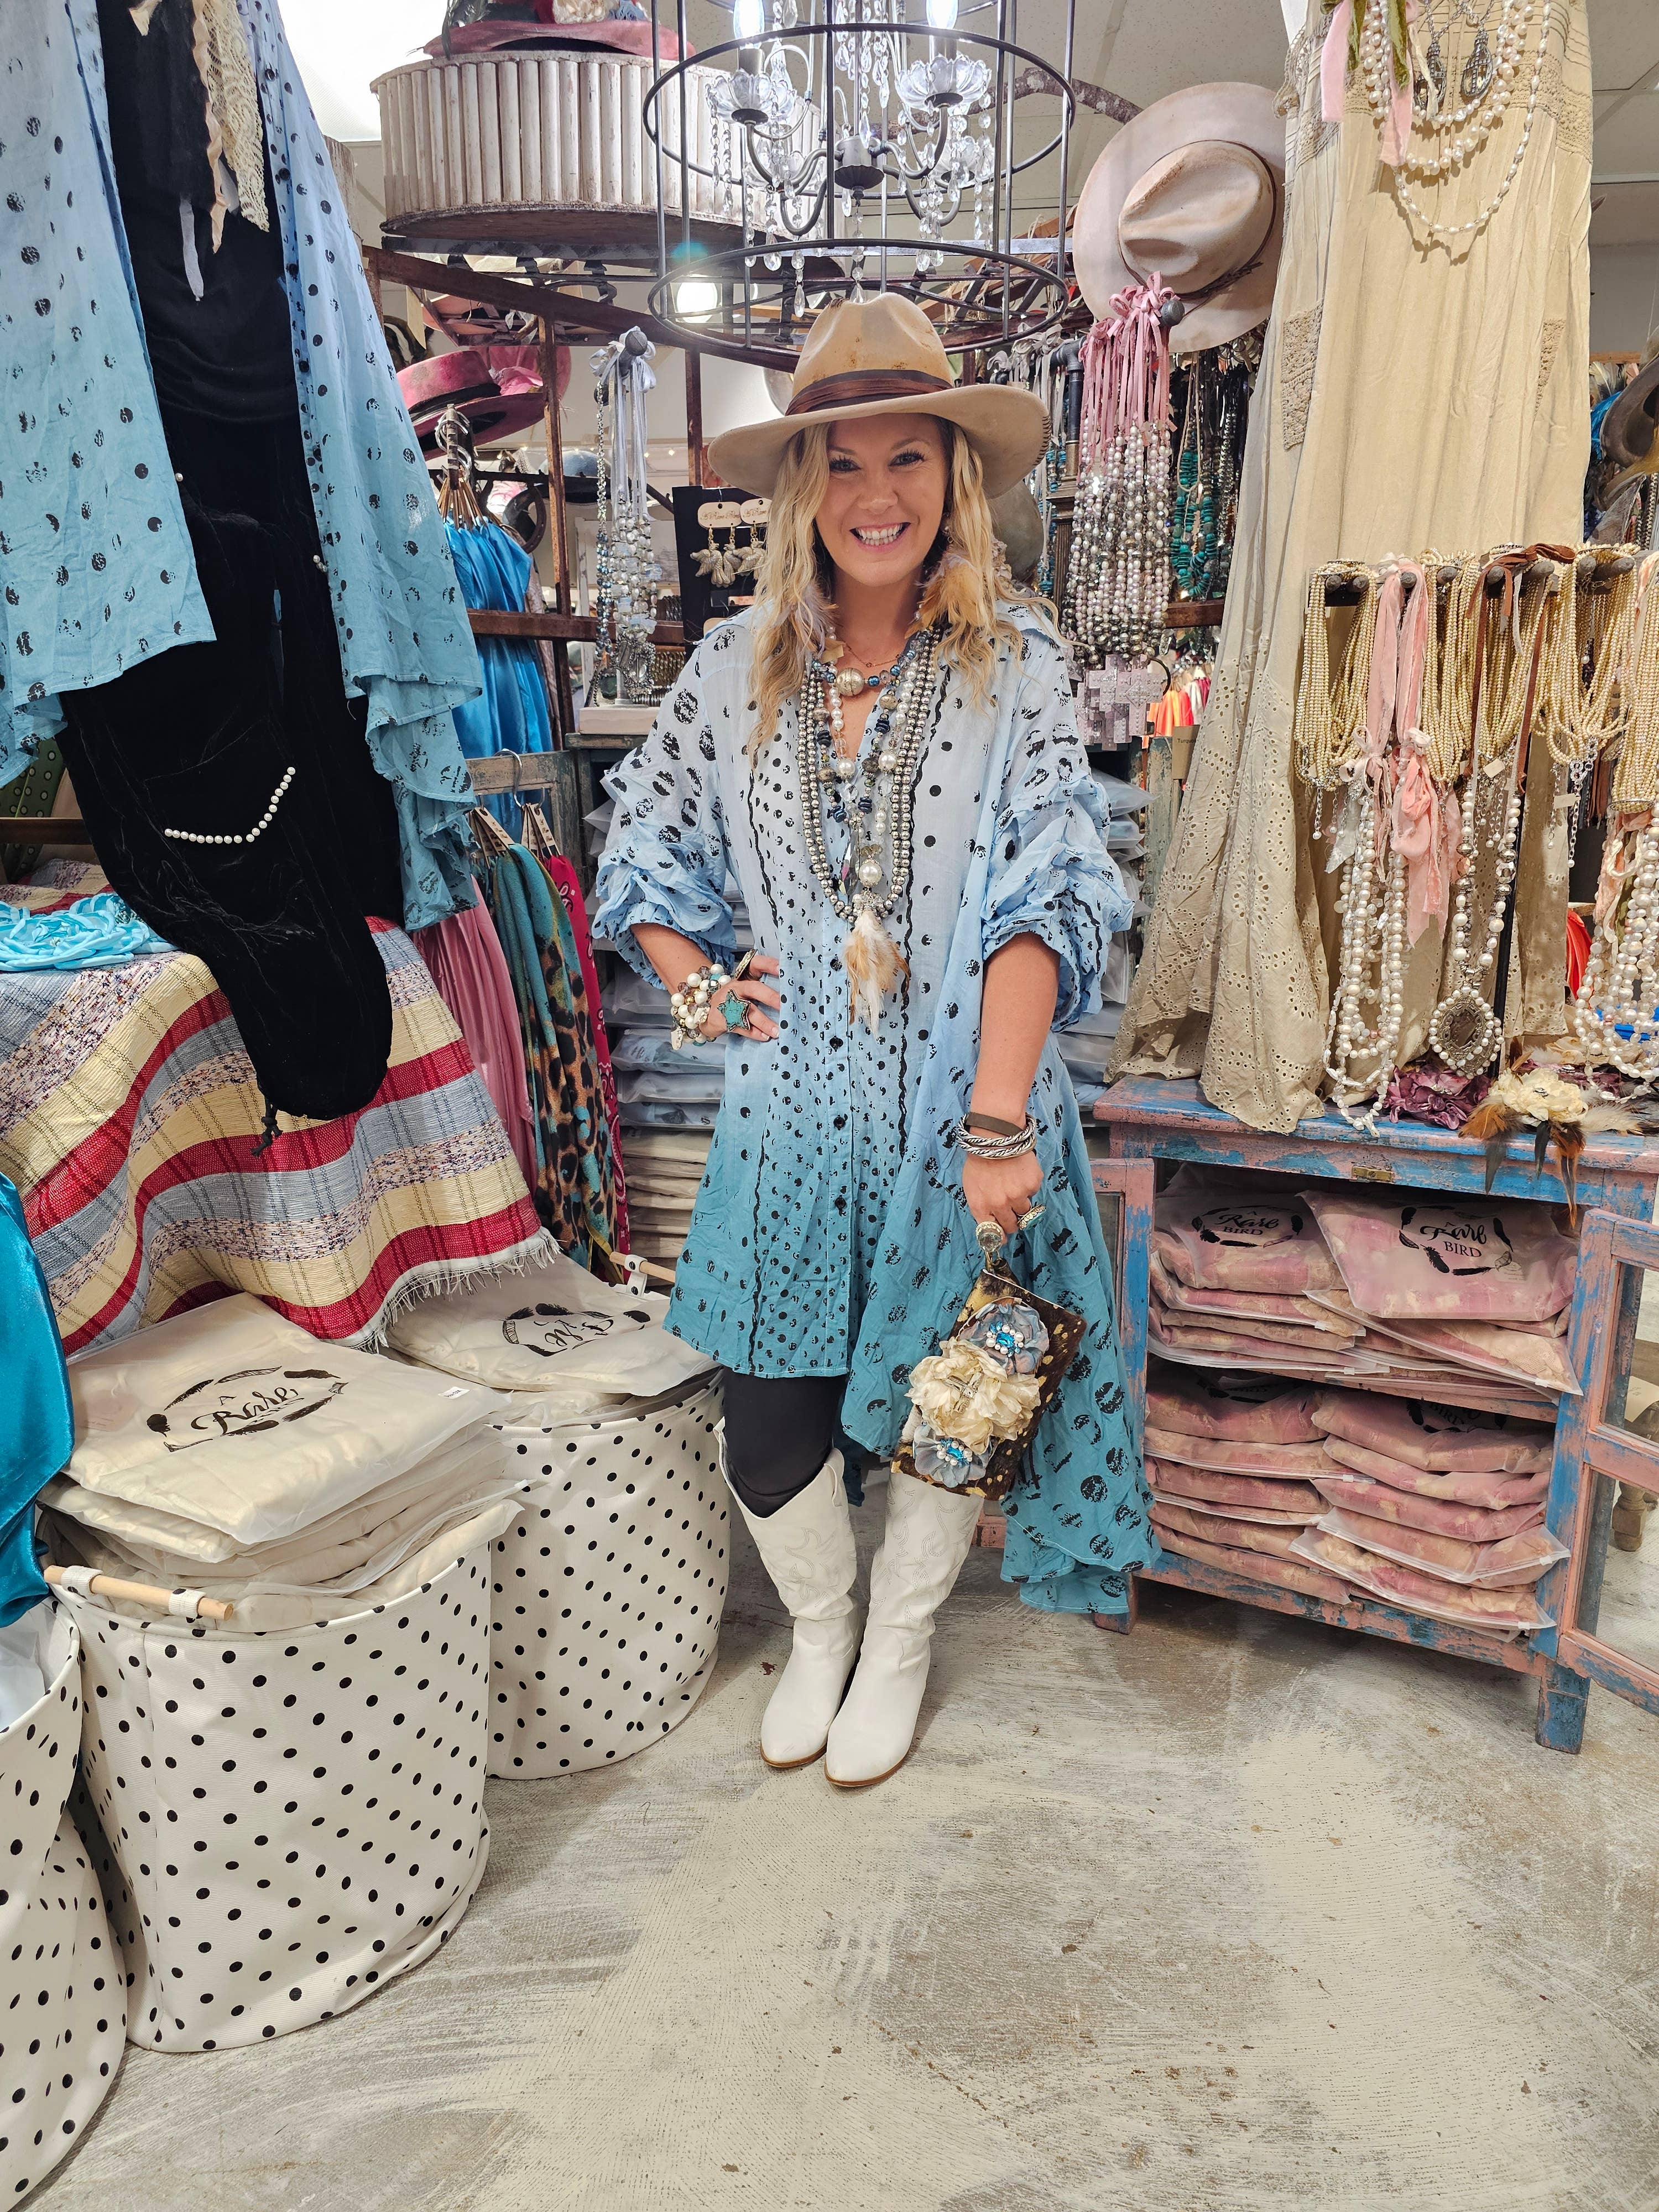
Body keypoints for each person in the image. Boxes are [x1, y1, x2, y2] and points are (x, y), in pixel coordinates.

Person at [595, 295, 1152, 1790]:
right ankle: (822, 1629)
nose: (877, 494)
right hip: (786, 1121)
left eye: (909, 458)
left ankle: (898, 1644)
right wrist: (699, 989)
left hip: (962, 1116)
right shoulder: (733, 667)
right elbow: (642, 846)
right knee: (769, 1428)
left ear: (952, 479)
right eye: (843, 462)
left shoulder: (1015, 664)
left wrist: (998, 1119)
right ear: (803, 488)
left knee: (950, 1403)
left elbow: (1051, 887)